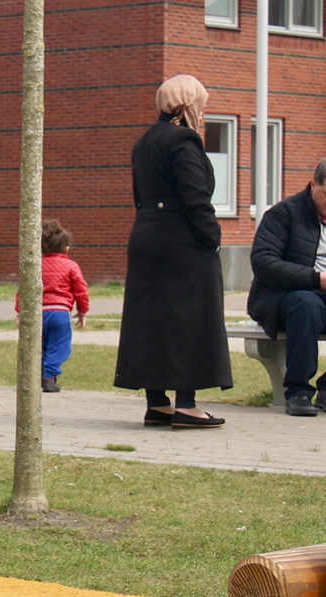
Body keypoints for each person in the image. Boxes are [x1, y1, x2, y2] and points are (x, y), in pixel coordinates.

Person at [114, 74, 232, 429]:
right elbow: (195, 196)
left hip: (146, 236)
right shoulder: (184, 140)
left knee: (151, 319)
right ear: (187, 105)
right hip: (182, 241)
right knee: (188, 318)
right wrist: (212, 236)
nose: (204, 112)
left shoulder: (144, 141)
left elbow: (139, 193)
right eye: (201, 105)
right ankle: (187, 403)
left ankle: (157, 403)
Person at [247, 159, 326, 417]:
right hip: (283, 298)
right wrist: (316, 279)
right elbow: (263, 262)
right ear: (313, 184)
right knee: (307, 303)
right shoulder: (285, 213)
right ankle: (298, 391)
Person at [35, 220, 89, 393]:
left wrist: (20, 312)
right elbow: (81, 290)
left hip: (38, 313)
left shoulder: (36, 266)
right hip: (60, 312)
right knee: (59, 345)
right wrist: (82, 311)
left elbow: (24, 289)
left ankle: (40, 374)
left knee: (40, 345)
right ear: (66, 248)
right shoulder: (71, 266)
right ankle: (49, 377)